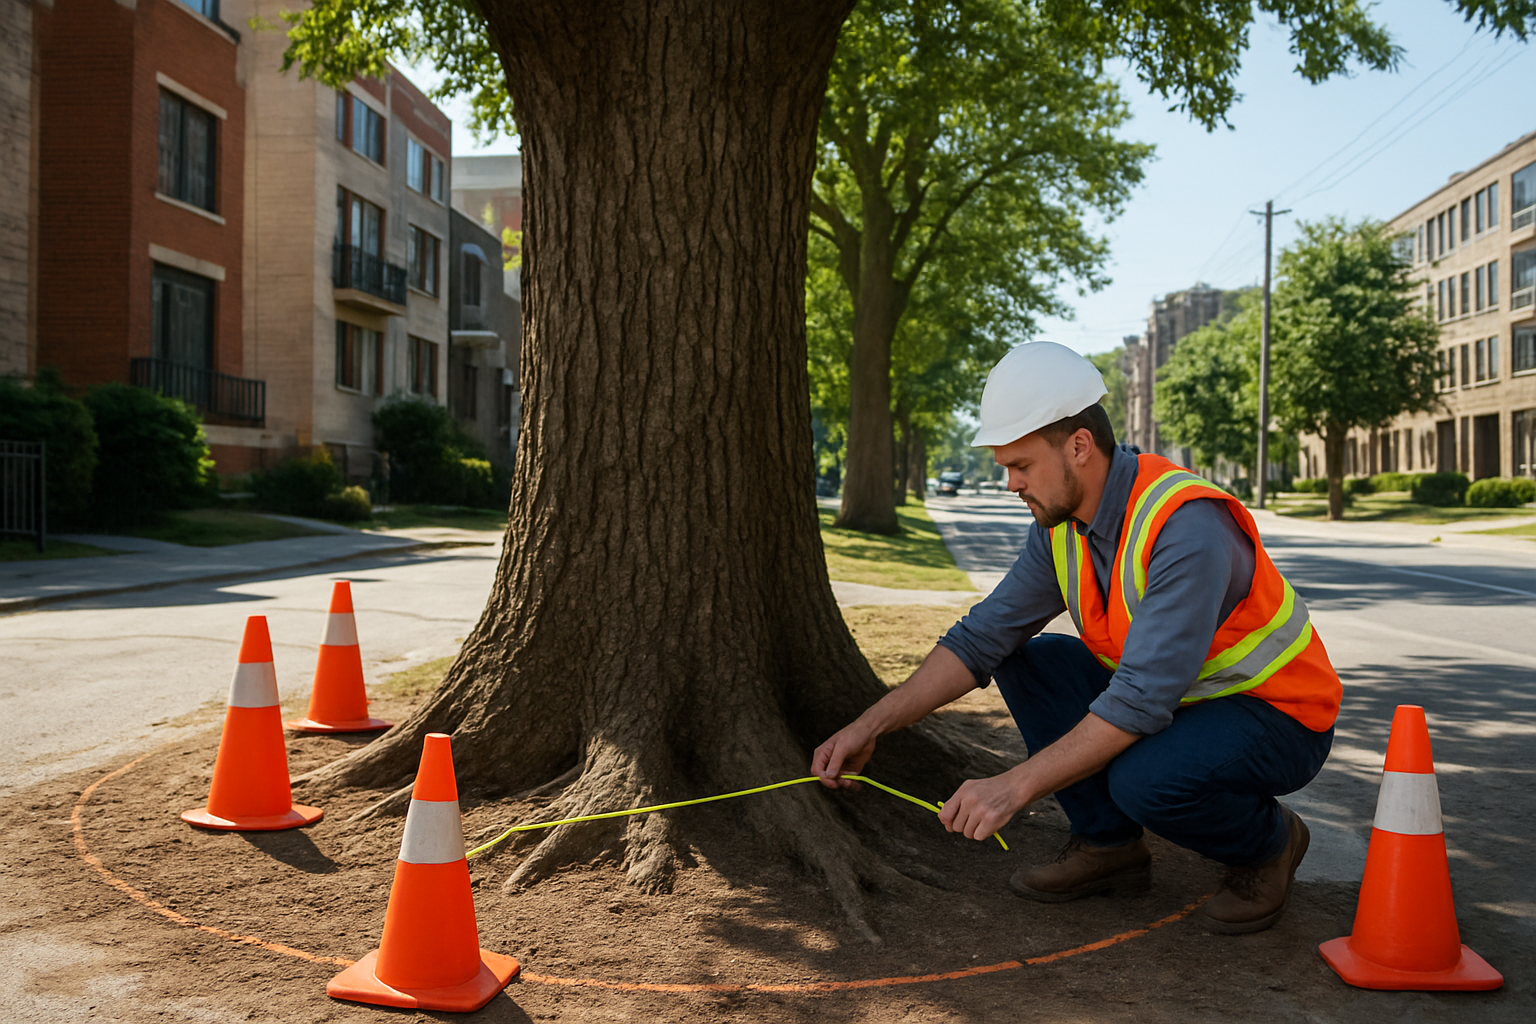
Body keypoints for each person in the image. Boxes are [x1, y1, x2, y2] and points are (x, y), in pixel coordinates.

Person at [812, 341, 1341, 934]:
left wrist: (1011, 789)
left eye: (1021, 465)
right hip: (1186, 705)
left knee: (1147, 782)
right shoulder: (1062, 524)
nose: (1011, 483)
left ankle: (1270, 843)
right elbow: (983, 636)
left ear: (1079, 447)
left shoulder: (1184, 526)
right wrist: (870, 724)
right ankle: (1108, 847)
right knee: (1025, 659)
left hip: (1277, 715)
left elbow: (1139, 701)